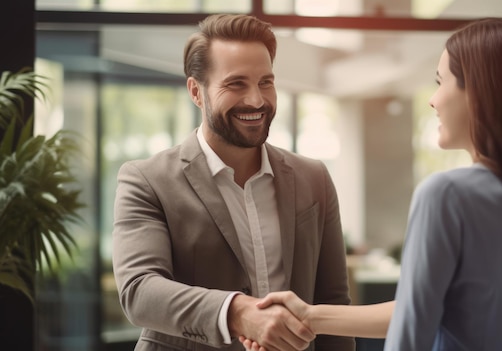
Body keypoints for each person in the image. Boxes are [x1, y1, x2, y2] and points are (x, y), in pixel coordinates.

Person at [241, 17, 502, 351]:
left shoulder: (447, 195)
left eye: (441, 82)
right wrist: (309, 316)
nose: (433, 100)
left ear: (480, 91)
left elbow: (410, 336)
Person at [111, 13, 355, 351]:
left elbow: (332, 304)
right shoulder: (146, 180)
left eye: (265, 82)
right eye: (236, 83)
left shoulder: (313, 177)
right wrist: (238, 312)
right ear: (197, 92)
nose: (256, 100)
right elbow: (140, 290)